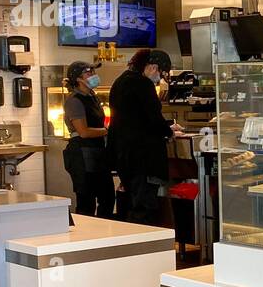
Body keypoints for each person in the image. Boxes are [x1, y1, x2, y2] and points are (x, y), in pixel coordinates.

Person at [109, 48, 180, 225]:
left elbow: (135, 117)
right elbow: (152, 118)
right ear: (153, 67)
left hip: (123, 156)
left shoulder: (120, 81)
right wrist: (169, 131)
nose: (159, 79)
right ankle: (142, 247)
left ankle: (132, 246)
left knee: (133, 203)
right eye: (161, 73)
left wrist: (166, 126)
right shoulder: (142, 84)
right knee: (144, 207)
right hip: (143, 158)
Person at [61, 61, 115, 218]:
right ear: (78, 79)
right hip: (82, 155)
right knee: (87, 202)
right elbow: (83, 132)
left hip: (98, 154)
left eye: (93, 72)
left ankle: (105, 234)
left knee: (108, 197)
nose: (93, 76)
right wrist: (107, 132)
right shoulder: (75, 101)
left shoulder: (92, 97)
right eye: (89, 73)